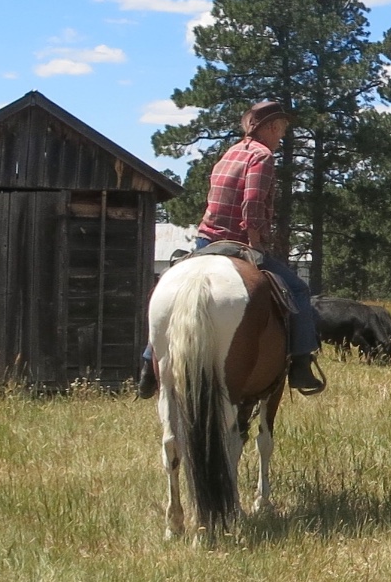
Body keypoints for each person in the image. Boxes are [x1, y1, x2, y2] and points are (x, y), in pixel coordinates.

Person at [137, 100, 326, 398]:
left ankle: (149, 363)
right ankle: (301, 364)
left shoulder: (230, 153)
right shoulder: (262, 156)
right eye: (282, 129)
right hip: (239, 243)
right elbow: (252, 202)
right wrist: (255, 242)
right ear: (271, 127)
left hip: (206, 241)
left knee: (170, 293)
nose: (282, 136)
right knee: (299, 291)